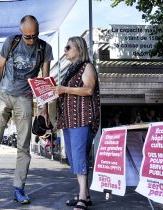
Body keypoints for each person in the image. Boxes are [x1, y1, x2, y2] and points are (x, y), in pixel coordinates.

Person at [0, 15, 53, 205]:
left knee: (23, 146)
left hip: (25, 99)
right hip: (3, 95)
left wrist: (43, 108)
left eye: (34, 35)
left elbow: (44, 81)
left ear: (38, 31)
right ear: (21, 31)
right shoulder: (11, 42)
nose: (31, 40)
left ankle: (19, 188)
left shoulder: (44, 49)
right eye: (27, 36)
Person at [51, 36, 100, 210]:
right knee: (74, 158)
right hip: (69, 120)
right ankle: (85, 195)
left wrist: (64, 89)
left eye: (68, 47)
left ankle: (82, 198)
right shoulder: (70, 70)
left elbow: (88, 89)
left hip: (82, 118)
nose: (65, 51)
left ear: (79, 49)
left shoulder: (87, 66)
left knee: (79, 156)